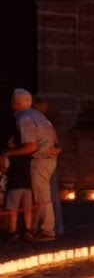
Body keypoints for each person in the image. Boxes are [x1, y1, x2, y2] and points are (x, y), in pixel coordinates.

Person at [3, 89, 58, 241]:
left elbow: (31, 146)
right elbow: (53, 139)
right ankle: (36, 229)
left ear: (16, 103)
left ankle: (47, 230)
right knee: (40, 196)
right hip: (48, 159)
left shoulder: (24, 118)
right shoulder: (37, 115)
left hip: (41, 160)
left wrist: (8, 153)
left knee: (42, 197)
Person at [33, 95, 63, 237]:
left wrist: (54, 149)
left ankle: (48, 228)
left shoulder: (44, 122)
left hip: (45, 159)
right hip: (47, 158)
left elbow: (56, 142)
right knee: (44, 195)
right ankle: (46, 227)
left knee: (45, 195)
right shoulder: (42, 122)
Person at [2, 134, 32, 238]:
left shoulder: (9, 155)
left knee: (13, 210)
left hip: (14, 185)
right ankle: (28, 230)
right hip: (27, 185)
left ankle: (13, 231)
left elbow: (5, 169)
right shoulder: (27, 156)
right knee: (27, 210)